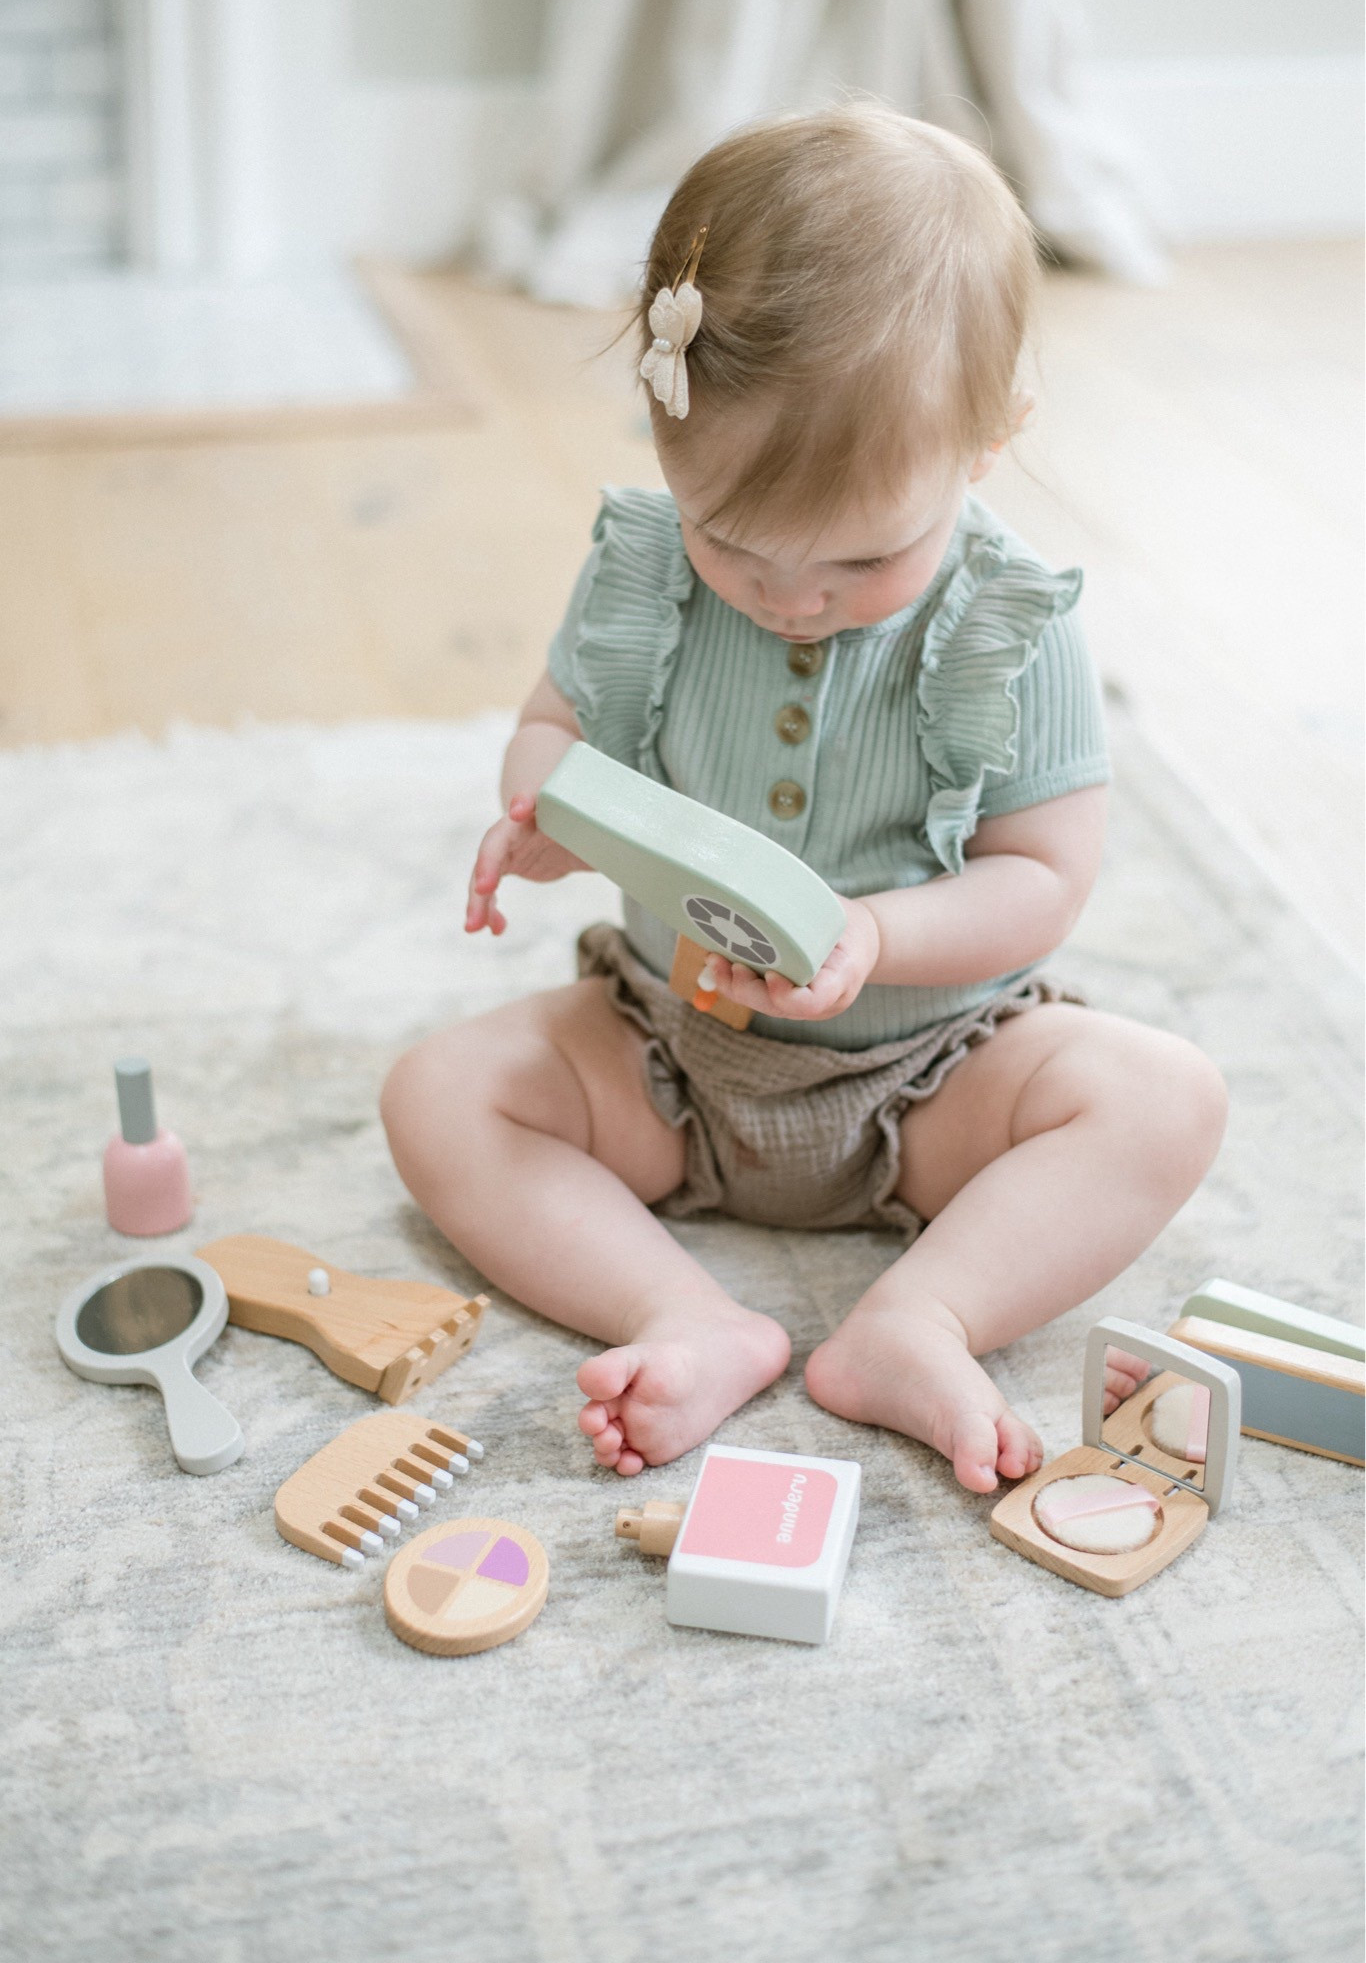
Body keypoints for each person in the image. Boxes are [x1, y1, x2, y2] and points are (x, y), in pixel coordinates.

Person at [381, 105, 1226, 1492]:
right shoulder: (645, 572)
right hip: (661, 1055)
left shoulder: (1009, 628)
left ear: (988, 443)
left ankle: (917, 1319)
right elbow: (554, 731)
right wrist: (541, 815)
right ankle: (686, 1317)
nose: (788, 596)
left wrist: (879, 939)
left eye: (857, 562)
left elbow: (1043, 882)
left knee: (1161, 1099)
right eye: (733, 539)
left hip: (937, 1076)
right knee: (440, 1094)